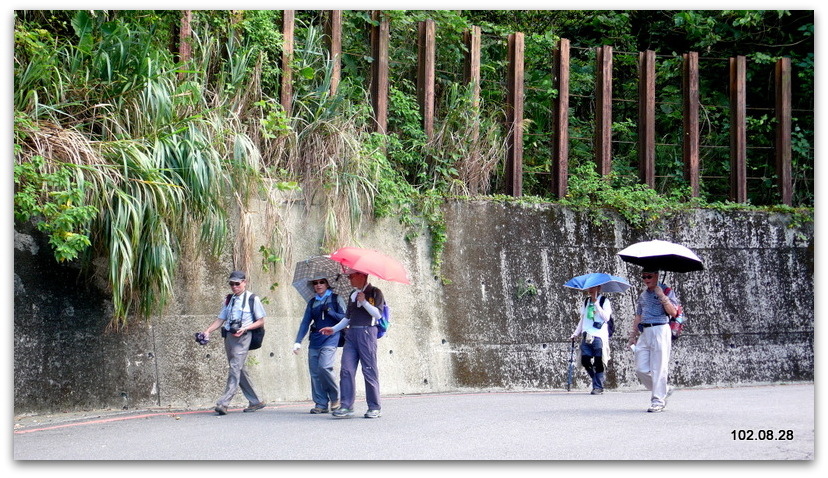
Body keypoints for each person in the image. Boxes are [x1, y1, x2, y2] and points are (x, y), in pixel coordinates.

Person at [200, 270, 267, 415]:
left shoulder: (252, 299)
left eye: (237, 283)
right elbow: (220, 319)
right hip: (230, 337)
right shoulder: (229, 299)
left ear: (244, 282)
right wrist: (207, 331)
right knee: (239, 368)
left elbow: (261, 321)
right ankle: (256, 401)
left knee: (235, 368)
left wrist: (245, 328)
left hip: (243, 337)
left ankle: (224, 403)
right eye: (232, 284)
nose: (234, 287)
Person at [320, 270, 384, 419]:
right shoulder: (352, 294)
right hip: (351, 334)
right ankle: (346, 406)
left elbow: (378, 315)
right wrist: (334, 329)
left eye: (352, 276)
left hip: (367, 333)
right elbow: (348, 318)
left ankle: (374, 407)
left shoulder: (375, 292)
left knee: (369, 370)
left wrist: (364, 302)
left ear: (362, 275)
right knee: (346, 370)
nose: (349, 279)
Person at [292, 276, 347, 414]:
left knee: (325, 367)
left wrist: (330, 311)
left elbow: (345, 318)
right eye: (315, 283)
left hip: (331, 337)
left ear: (327, 284)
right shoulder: (312, 302)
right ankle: (321, 403)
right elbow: (305, 322)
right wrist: (298, 341)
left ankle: (335, 398)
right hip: (315, 339)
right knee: (315, 372)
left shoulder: (336, 299)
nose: (318, 285)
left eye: (321, 282)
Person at [628, 269, 679, 413]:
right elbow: (638, 315)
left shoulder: (666, 291)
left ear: (656, 276)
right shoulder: (643, 295)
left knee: (658, 367)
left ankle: (658, 401)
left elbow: (673, 312)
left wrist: (662, 295)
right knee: (641, 368)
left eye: (649, 276)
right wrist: (633, 335)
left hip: (660, 329)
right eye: (643, 277)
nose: (646, 279)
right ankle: (665, 389)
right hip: (645, 331)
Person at [570, 285, 612, 394]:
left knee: (598, 361)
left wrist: (597, 304)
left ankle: (598, 387)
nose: (590, 290)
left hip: (599, 335)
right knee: (585, 360)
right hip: (586, 334)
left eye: (593, 287)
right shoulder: (586, 301)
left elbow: (606, 318)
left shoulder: (604, 301)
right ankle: (596, 380)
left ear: (599, 288)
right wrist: (576, 333)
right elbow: (583, 319)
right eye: (589, 288)